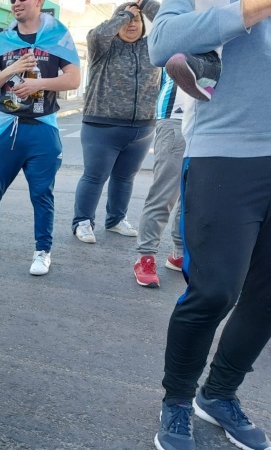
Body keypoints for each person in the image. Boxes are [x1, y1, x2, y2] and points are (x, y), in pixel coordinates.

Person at [148, 0, 271, 448]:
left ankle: (218, 394)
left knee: (268, 296)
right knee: (214, 290)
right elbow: (160, 45)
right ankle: (177, 400)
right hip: (226, 150)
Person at [0, 0, 80, 275]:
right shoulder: (3, 40)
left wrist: (39, 83)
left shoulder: (57, 36)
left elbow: (74, 79)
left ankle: (42, 251)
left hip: (43, 128)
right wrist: (12, 69)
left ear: (39, 2)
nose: (16, 3)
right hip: (8, 127)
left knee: (42, 193)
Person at [71, 0, 161, 244]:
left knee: (125, 177)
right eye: (126, 19)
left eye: (136, 19)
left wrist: (147, 5)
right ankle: (83, 222)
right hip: (102, 126)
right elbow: (97, 34)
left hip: (142, 127)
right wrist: (124, 14)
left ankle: (115, 220)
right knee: (94, 177)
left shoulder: (153, 47)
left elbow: (170, 25)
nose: (131, 23)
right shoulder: (104, 47)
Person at [132, 70, 188, 288]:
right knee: (165, 193)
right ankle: (145, 256)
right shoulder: (182, 35)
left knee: (193, 195)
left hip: (212, 121)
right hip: (177, 117)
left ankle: (180, 253)